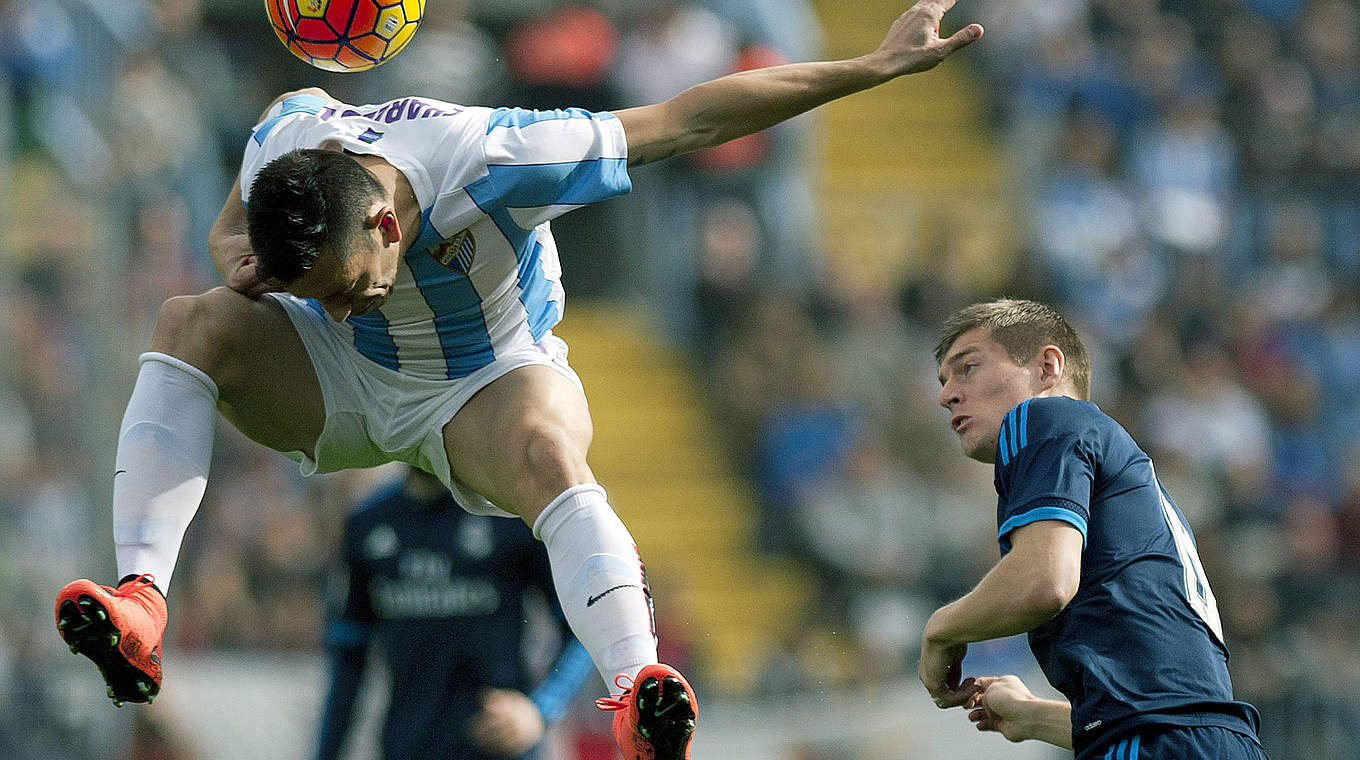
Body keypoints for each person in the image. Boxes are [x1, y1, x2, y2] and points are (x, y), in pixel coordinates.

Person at [51, 3, 983, 757]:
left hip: (483, 383)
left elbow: (691, 116)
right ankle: (143, 600)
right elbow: (244, 200)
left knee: (547, 447)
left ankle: (637, 691)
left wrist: (871, 68)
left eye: (343, 287)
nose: (341, 303)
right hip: (344, 389)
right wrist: (238, 259)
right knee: (189, 320)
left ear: (382, 225)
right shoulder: (292, 142)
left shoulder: (497, 158)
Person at [921, 298, 1266, 759]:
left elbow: (1045, 582)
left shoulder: (1045, 415)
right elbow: (1163, 707)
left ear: (1047, 366)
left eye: (968, 368)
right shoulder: (1135, 485)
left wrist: (940, 630)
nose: (947, 394)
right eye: (944, 381)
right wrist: (1030, 715)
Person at [315, 466, 595, 760]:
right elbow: (349, 658)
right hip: (407, 748)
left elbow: (582, 627)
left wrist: (539, 710)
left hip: (498, 749)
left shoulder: (508, 517)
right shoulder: (367, 523)